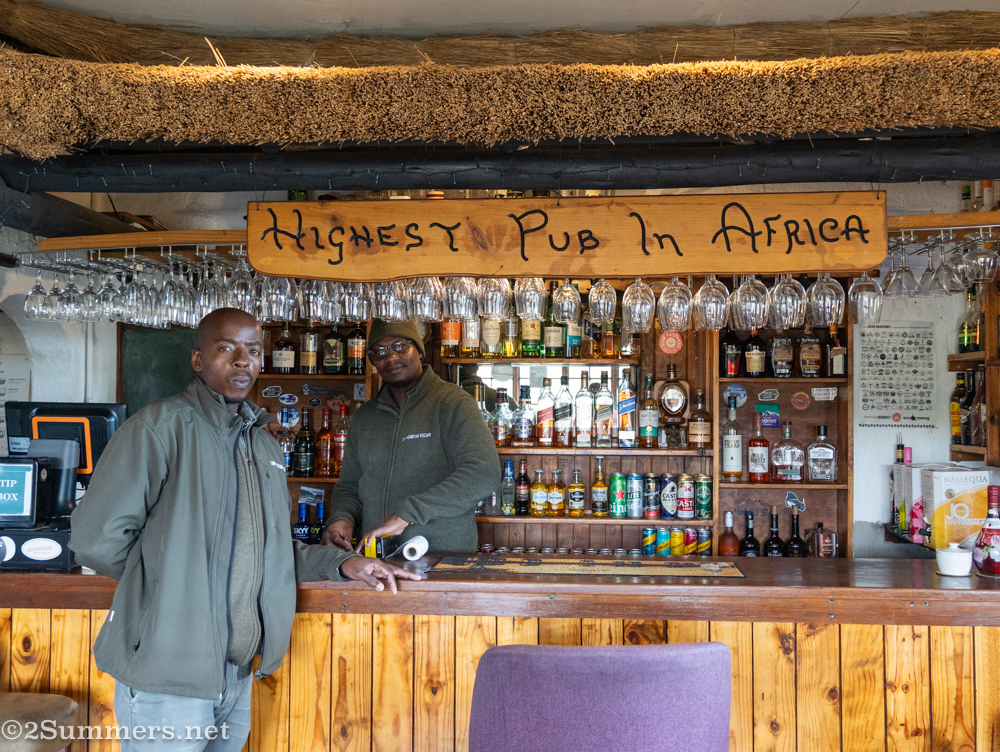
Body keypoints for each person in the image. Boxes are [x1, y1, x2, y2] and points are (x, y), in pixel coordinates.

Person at [70, 308, 418, 751]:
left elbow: (270, 549)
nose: (242, 360)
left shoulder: (262, 442)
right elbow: (94, 539)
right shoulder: (160, 427)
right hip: (169, 672)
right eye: (226, 348)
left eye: (253, 350)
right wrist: (168, 586)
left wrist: (347, 563)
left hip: (235, 674)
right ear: (198, 360)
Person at [323, 319, 501, 553]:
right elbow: (350, 486)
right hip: (374, 561)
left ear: (419, 349)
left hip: (441, 558)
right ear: (372, 360)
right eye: (380, 351)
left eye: (400, 345)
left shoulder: (452, 403)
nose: (391, 357)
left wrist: (408, 513)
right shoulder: (365, 417)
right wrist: (341, 519)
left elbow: (483, 473)